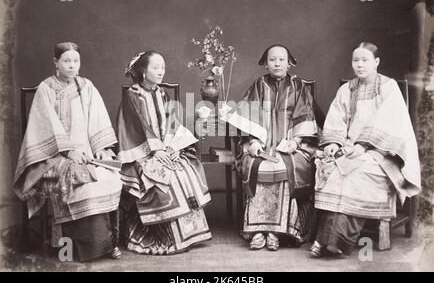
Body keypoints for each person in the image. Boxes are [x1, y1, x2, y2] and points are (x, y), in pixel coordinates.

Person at [13, 42, 123, 262]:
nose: (73, 66)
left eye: (76, 61)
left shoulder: (86, 86)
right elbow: (44, 126)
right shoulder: (47, 88)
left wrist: (101, 148)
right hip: (54, 156)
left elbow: (97, 119)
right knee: (80, 179)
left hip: (87, 153)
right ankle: (74, 247)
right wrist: (68, 151)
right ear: (56, 62)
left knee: (108, 175)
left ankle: (106, 243)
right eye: (67, 61)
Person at [310, 42, 421, 258]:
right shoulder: (346, 89)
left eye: (365, 60)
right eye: (356, 60)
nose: (359, 65)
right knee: (332, 169)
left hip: (382, 153)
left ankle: (331, 241)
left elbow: (390, 124)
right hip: (350, 149)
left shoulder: (388, 88)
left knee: (354, 174)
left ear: (376, 62)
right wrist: (334, 144)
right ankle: (327, 239)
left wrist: (363, 146)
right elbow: (336, 121)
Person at [117, 51, 212, 255]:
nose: (161, 71)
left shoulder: (161, 93)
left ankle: (191, 233)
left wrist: (173, 147)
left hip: (163, 148)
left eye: (163, 67)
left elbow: (171, 124)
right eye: (156, 67)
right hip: (141, 152)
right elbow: (135, 129)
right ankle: (166, 237)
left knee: (184, 168)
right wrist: (155, 150)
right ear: (143, 71)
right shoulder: (132, 95)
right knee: (164, 177)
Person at [227, 44, 321, 251]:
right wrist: (252, 141)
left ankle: (278, 232)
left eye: (281, 59)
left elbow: (306, 116)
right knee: (256, 165)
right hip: (261, 143)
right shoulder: (258, 85)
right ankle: (258, 231)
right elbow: (246, 115)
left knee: (286, 167)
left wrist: (295, 142)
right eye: (272, 59)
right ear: (265, 63)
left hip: (292, 144)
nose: (277, 63)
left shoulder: (298, 87)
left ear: (289, 63)